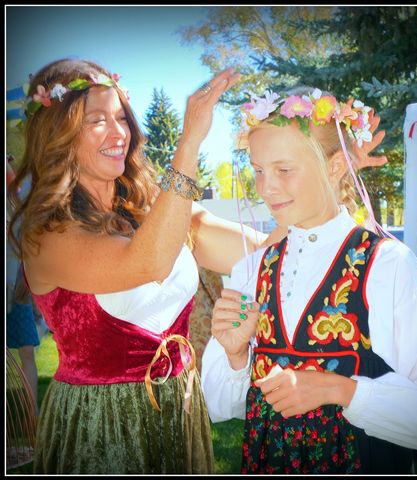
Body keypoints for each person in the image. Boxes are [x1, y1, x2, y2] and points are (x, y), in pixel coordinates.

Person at [7, 59, 386, 474]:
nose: (119, 133)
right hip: (102, 425)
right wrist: (189, 143)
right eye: (97, 120)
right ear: (58, 132)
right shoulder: (47, 237)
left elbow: (266, 250)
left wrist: (332, 175)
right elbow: (148, 261)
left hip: (180, 410)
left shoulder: (159, 213)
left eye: (121, 117)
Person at [201, 87, 417, 474]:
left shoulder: (385, 265)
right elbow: (220, 405)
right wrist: (236, 358)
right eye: (259, 170)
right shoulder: (252, 270)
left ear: (335, 167)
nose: (266, 188)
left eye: (284, 170)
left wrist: (342, 391)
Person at [6, 158, 40, 412]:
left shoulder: (22, 208)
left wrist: (25, 282)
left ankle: (31, 416)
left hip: (17, 287)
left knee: (26, 351)